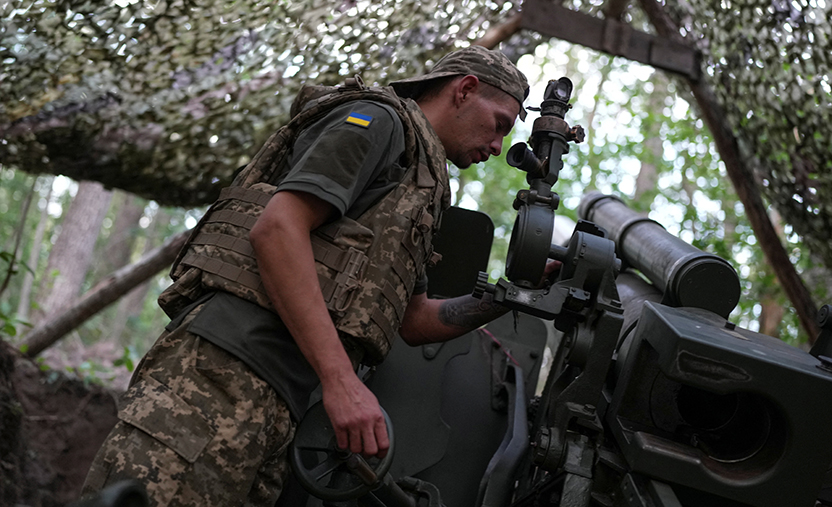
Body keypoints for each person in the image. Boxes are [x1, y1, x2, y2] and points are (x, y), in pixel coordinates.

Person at [81, 45, 530, 506]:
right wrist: (341, 381)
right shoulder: (378, 121)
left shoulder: (421, 183)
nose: (498, 146)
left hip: (281, 404)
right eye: (500, 124)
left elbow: (414, 321)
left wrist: (516, 293)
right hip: (219, 372)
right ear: (465, 90)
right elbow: (277, 230)